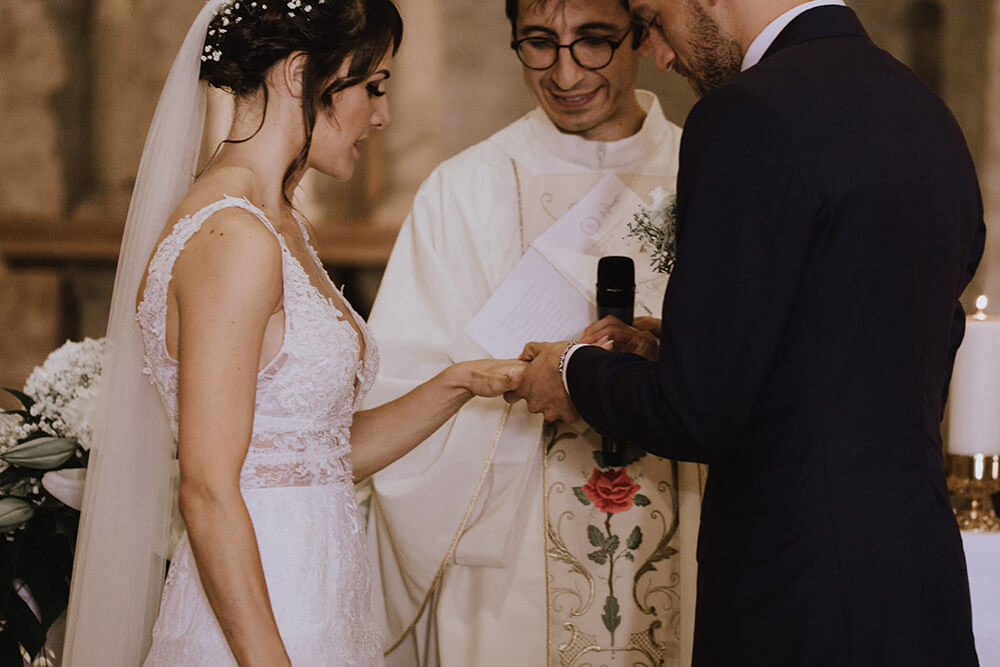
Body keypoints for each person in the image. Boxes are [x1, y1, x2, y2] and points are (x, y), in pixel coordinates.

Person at [507, 0, 985, 664]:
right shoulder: (928, 115)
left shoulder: (745, 115)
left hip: (797, 594)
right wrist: (680, 345)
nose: (661, 53)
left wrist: (573, 372)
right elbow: (864, 347)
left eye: (654, 19)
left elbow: (696, 414)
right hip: (918, 580)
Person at [61, 1, 525, 665]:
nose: (382, 115)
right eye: (372, 87)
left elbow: (314, 456)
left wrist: (459, 382)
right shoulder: (233, 236)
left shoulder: (277, 222)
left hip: (318, 607)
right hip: (255, 626)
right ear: (300, 72)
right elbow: (208, 486)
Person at [363, 1, 701, 665]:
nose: (565, 72)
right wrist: (522, 382)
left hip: (689, 536)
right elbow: (397, 399)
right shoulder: (464, 192)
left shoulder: (706, 174)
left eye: (595, 42)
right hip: (510, 567)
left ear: (642, 33)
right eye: (539, 43)